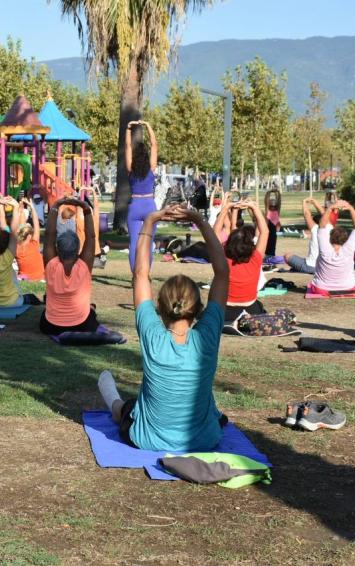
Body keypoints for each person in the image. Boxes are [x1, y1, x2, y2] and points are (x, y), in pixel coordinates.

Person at [98, 205, 230, 451]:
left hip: (148, 440)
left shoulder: (153, 335)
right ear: (199, 308)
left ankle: (113, 403)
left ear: (159, 306)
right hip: (204, 440)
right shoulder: (208, 336)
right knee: (211, 410)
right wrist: (200, 221)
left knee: (126, 409)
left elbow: (140, 274)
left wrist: (149, 223)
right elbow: (222, 272)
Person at [40, 196, 101, 335]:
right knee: (92, 313)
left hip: (51, 326)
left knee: (44, 316)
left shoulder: (51, 264)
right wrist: (85, 208)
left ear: (58, 249)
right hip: (82, 324)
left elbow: (49, 235)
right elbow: (91, 237)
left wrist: (56, 205)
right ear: (78, 247)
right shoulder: (84, 265)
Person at [223, 200, 269, 322]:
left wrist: (226, 208)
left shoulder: (224, 261)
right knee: (259, 305)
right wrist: (254, 207)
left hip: (226, 312)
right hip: (251, 311)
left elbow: (215, 232)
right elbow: (265, 231)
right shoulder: (256, 259)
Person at [309, 200, 355, 295]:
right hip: (348, 288)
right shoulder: (349, 249)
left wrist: (330, 208)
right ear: (346, 240)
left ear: (330, 238)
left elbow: (322, 225)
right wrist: (351, 208)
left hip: (322, 289)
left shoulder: (325, 249)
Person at [125, 120, 158, 271]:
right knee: (148, 241)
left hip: (135, 205)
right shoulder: (151, 168)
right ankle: (146, 274)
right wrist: (148, 126)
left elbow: (127, 146)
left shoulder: (130, 168)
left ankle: (135, 275)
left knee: (134, 242)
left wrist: (128, 129)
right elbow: (154, 145)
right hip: (150, 205)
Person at [284, 198, 326, 274]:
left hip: (311, 267)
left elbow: (307, 214)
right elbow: (324, 214)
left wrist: (304, 202)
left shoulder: (315, 229)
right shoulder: (330, 229)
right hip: (324, 267)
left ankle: (300, 269)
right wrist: (315, 202)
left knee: (287, 256)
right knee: (303, 259)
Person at [15, 198, 45, 281]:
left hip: (23, 277)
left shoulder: (16, 248)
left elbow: (18, 229)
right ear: (29, 236)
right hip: (39, 277)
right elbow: (36, 224)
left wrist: (18, 211)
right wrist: (32, 207)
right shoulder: (34, 244)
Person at [264, 189, 282, 256]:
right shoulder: (267, 211)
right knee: (267, 244)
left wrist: (278, 192)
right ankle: (267, 256)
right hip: (268, 229)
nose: (273, 207)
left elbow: (279, 201)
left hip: (273, 230)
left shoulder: (277, 211)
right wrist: (268, 192)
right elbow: (266, 201)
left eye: (275, 206)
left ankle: (271, 256)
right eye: (271, 206)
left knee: (272, 245)